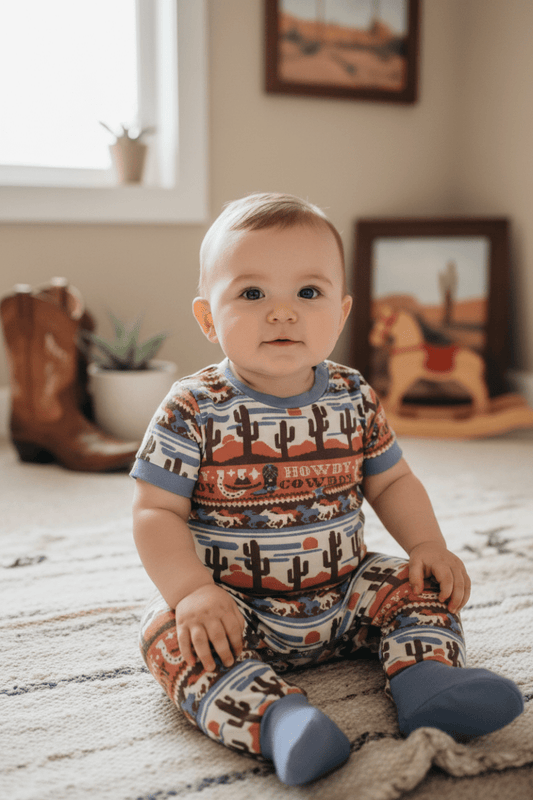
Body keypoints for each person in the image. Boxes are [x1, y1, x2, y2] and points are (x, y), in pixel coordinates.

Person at [131, 193, 524, 786]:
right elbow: (155, 509)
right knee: (168, 637)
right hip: (236, 609)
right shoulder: (194, 407)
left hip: (345, 592)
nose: (282, 313)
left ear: (341, 315)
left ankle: (426, 680)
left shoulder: (353, 393)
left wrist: (428, 545)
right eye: (253, 294)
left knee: (417, 587)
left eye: (307, 294)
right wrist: (190, 591)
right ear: (208, 318)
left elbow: (391, 478)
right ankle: (279, 720)